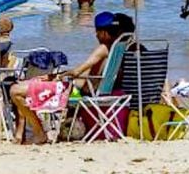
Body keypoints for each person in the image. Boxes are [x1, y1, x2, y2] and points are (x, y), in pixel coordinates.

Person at [9, 11, 119, 144]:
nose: (96, 35)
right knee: (23, 87)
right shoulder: (116, 49)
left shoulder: (102, 48)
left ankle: (39, 132)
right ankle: (32, 132)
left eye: (97, 32)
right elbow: (87, 74)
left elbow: (76, 72)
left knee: (15, 90)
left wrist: (58, 76)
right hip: (86, 88)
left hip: (72, 92)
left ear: (104, 33)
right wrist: (56, 76)